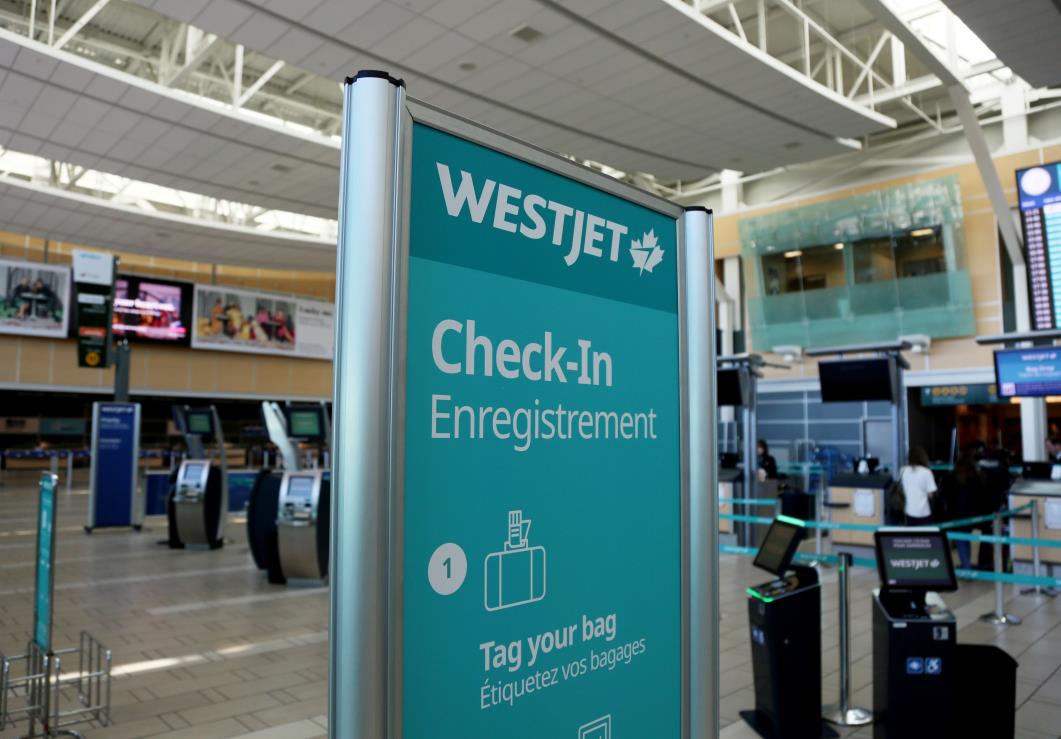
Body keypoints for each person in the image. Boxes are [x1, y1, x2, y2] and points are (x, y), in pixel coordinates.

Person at [941, 449, 983, 570]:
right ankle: (966, 563)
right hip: (971, 513)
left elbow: (944, 495)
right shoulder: (976, 476)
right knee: (965, 538)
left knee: (960, 539)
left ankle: (966, 566)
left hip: (956, 513)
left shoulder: (951, 476)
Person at [899, 446, 937, 526]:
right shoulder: (926, 472)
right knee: (924, 537)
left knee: (911, 536)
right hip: (924, 512)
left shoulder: (903, 470)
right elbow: (931, 495)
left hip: (908, 511)